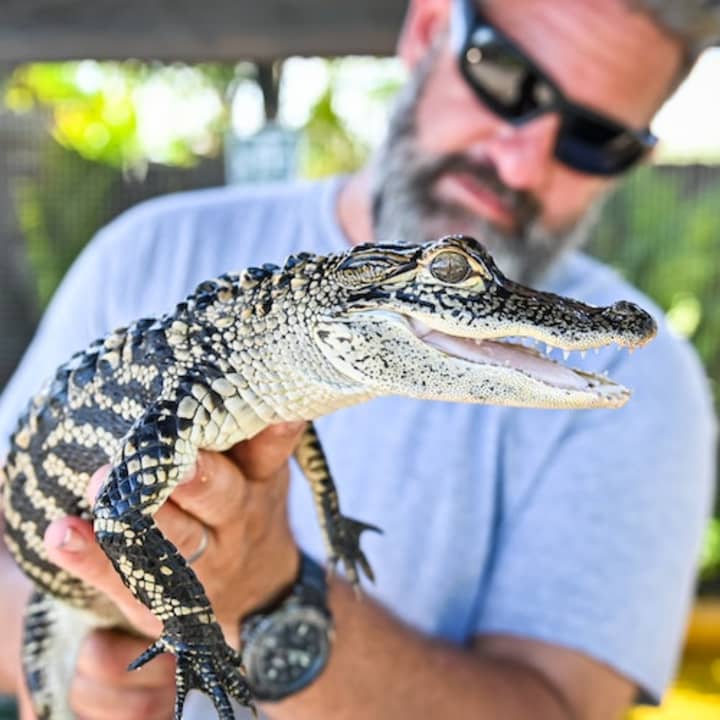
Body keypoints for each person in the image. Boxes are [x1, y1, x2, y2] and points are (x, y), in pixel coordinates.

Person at [1, 0, 718, 717]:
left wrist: (268, 594)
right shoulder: (143, 254)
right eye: (506, 77)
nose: (519, 159)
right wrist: (97, 668)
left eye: (596, 139)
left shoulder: (645, 381)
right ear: (430, 29)